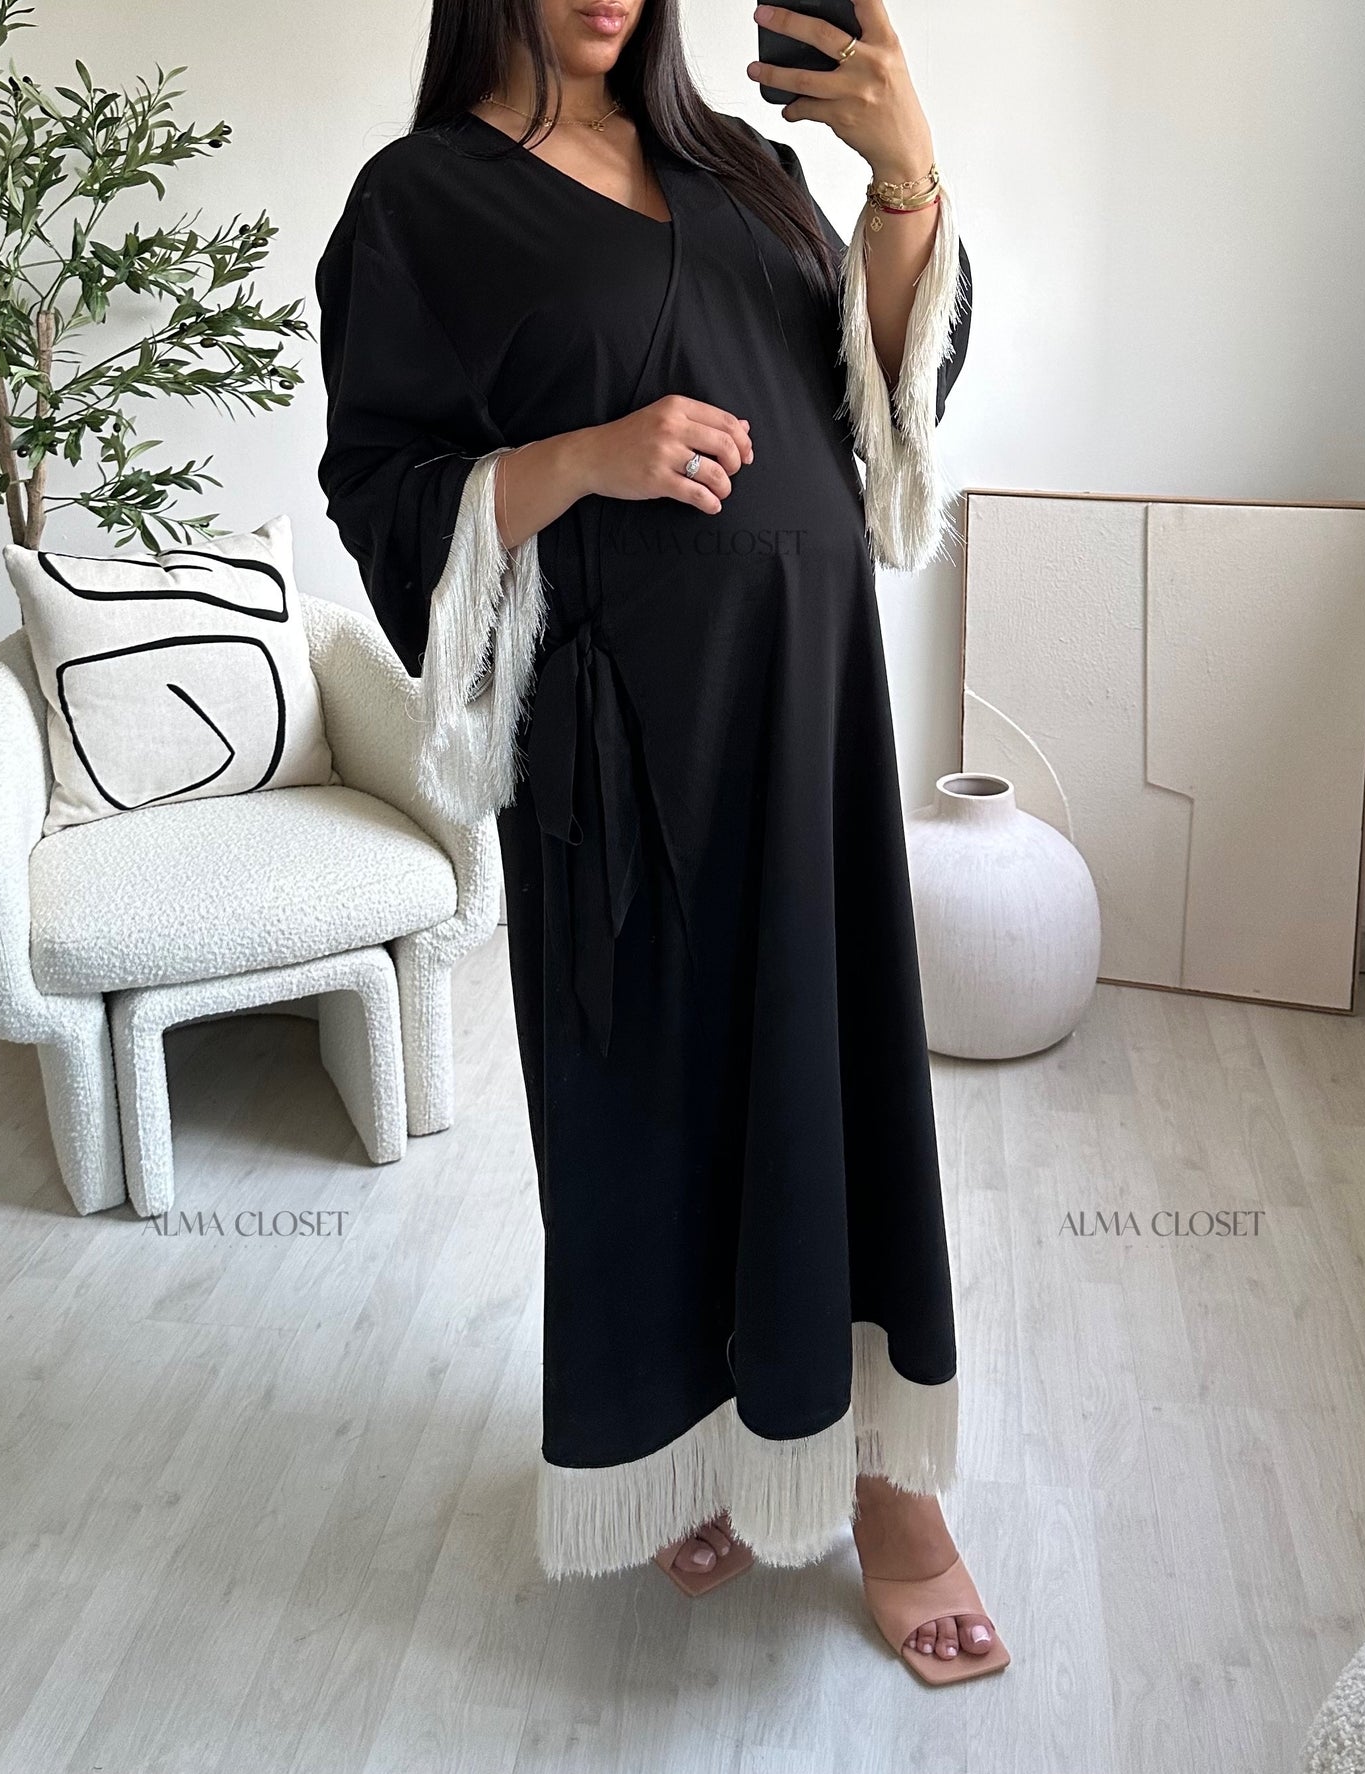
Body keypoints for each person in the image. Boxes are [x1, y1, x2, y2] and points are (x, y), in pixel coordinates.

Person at [316, 0, 1009, 1686]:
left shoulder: (746, 169)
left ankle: (888, 1489)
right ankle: (697, 1436)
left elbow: (874, 407)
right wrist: (580, 458)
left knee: (831, 1077)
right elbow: (381, 486)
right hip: (622, 743)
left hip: (808, 714)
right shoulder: (421, 200)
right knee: (657, 1102)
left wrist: (904, 182)